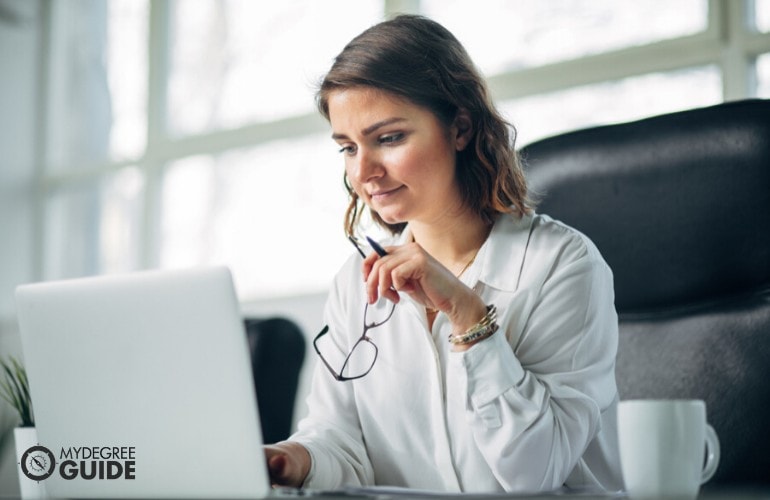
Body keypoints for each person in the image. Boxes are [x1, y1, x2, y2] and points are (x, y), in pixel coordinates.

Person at [264, 14, 623, 494]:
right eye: (348, 148)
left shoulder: (561, 265)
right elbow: (341, 440)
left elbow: (536, 471)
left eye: (388, 138)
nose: (363, 171)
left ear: (460, 128)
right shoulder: (357, 281)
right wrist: (293, 459)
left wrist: (468, 315)